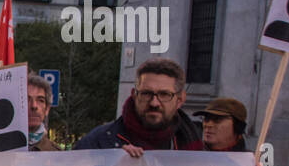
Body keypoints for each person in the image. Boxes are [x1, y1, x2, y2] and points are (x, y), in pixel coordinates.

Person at [74, 58, 202, 156]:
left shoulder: (199, 147)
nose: (154, 103)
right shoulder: (98, 143)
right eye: (146, 94)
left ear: (180, 100)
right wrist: (112, 163)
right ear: (134, 95)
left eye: (164, 94)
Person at [26, 74, 61, 151]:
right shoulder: (0, 148)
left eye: (40, 100)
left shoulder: (55, 153)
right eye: (26, 99)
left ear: (47, 109)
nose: (34, 106)